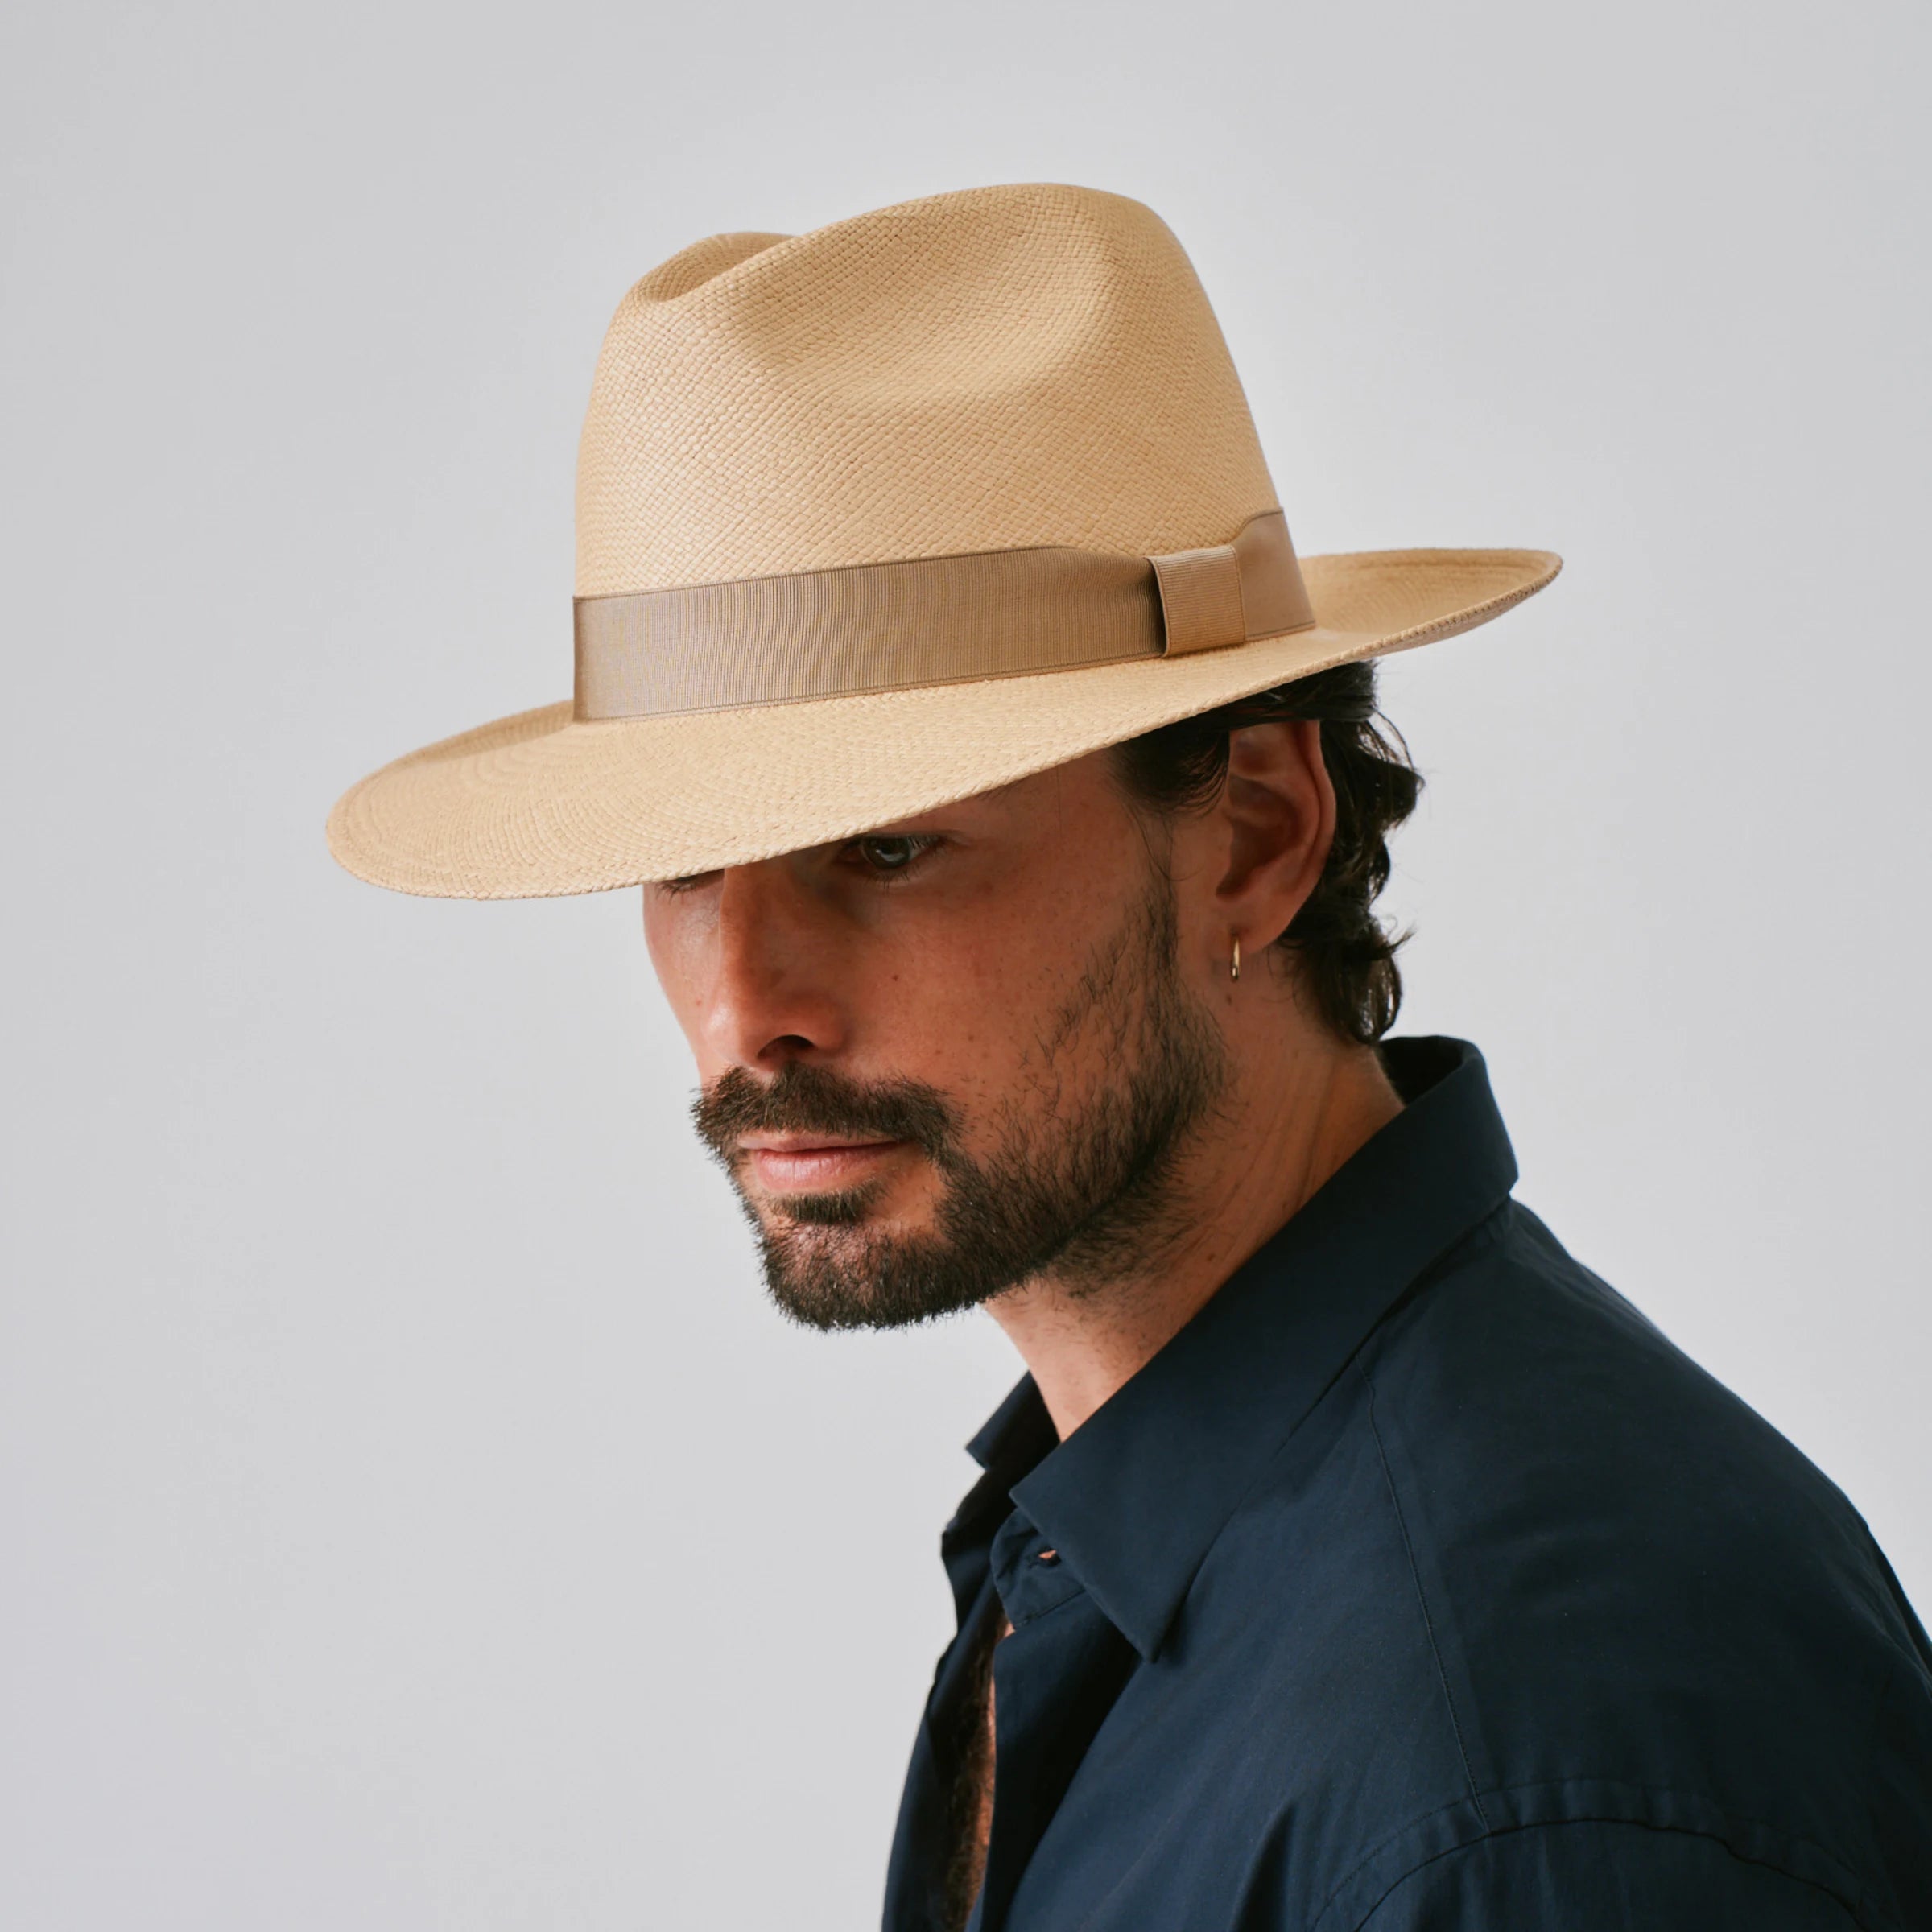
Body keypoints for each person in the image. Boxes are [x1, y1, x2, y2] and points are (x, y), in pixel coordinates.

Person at [329, 184, 1932, 1930]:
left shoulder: (1515, 1758)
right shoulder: (1125, 1549)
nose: (743, 1005)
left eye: (881, 850)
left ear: (1251, 834)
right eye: (685, 865)